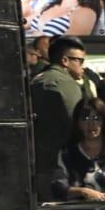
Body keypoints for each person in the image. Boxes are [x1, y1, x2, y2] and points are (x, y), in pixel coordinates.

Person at [30, 37, 89, 201]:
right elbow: (78, 124)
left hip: (37, 162)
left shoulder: (37, 79)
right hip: (61, 166)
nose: (83, 66)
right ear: (65, 60)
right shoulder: (66, 84)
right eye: (80, 61)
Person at [51, 97, 105, 203]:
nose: (91, 124)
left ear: (104, 121)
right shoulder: (68, 153)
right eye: (85, 119)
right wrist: (82, 191)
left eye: (96, 118)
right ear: (78, 123)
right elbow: (58, 188)